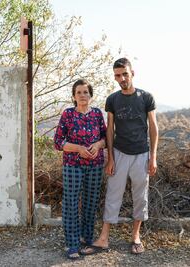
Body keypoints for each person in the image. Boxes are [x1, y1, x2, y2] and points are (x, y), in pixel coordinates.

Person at [81, 57, 158, 255]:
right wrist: (111, 158)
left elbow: (154, 129)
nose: (122, 78)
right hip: (119, 153)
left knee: (140, 197)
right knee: (113, 195)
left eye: (125, 73)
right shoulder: (113, 99)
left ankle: (135, 237)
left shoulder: (146, 97)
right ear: (114, 77)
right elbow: (109, 130)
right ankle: (104, 238)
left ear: (132, 73)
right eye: (117, 75)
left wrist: (153, 157)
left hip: (142, 153)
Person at [54, 79, 107, 260]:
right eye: (79, 92)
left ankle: (86, 238)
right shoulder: (68, 115)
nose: (83, 95)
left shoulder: (98, 114)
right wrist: (78, 149)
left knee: (91, 202)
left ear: (90, 95)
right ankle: (72, 243)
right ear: (74, 96)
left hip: (95, 164)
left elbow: (105, 139)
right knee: (71, 203)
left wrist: (98, 145)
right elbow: (58, 142)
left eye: (86, 92)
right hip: (73, 165)